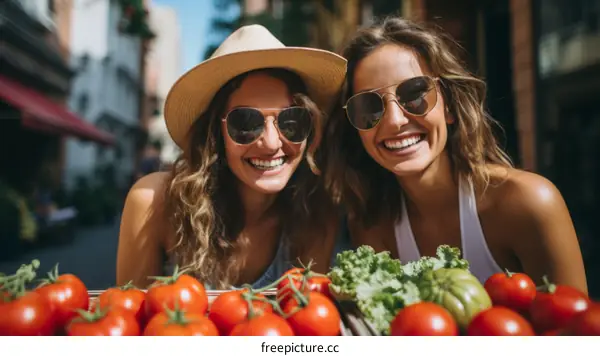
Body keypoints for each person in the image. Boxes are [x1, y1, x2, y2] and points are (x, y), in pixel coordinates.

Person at [319, 17, 588, 293]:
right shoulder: (373, 225)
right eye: (368, 107)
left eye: (414, 93)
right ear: (355, 129)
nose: (395, 121)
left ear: (448, 105)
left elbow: (576, 329)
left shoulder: (528, 203)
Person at [116, 25, 348, 289]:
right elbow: (131, 320)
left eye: (291, 122)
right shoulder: (154, 203)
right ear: (215, 133)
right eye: (246, 123)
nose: (272, 143)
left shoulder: (316, 214)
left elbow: (308, 324)